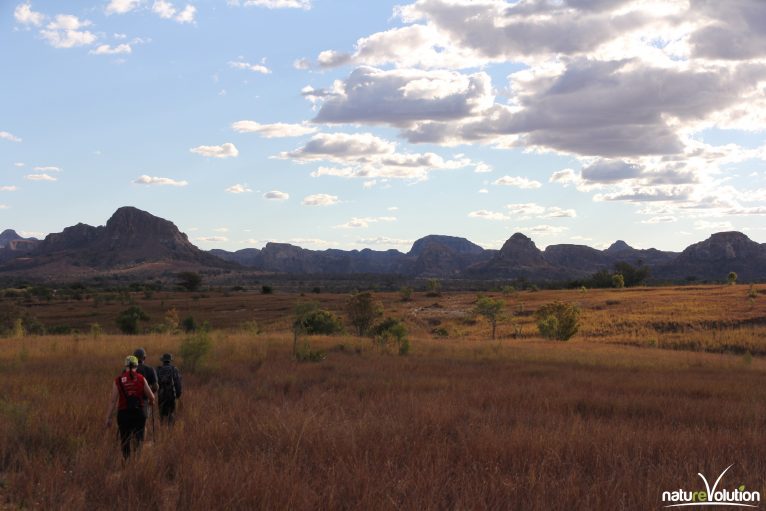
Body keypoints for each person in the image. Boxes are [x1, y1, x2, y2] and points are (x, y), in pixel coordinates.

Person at [104, 355, 155, 459]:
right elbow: (152, 397)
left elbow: (113, 401)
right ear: (136, 366)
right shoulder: (141, 378)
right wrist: (151, 403)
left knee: (125, 440)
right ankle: (136, 461)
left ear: (125, 366)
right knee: (138, 440)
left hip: (123, 414)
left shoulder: (118, 380)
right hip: (139, 414)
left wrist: (108, 417)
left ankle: (126, 463)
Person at [156, 353, 182, 425]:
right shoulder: (174, 369)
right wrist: (178, 395)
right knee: (171, 413)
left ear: (163, 361)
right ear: (170, 360)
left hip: (161, 396)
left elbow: (156, 384)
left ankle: (162, 429)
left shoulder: (158, 370)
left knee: (162, 414)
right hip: (171, 396)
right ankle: (170, 431)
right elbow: (178, 384)